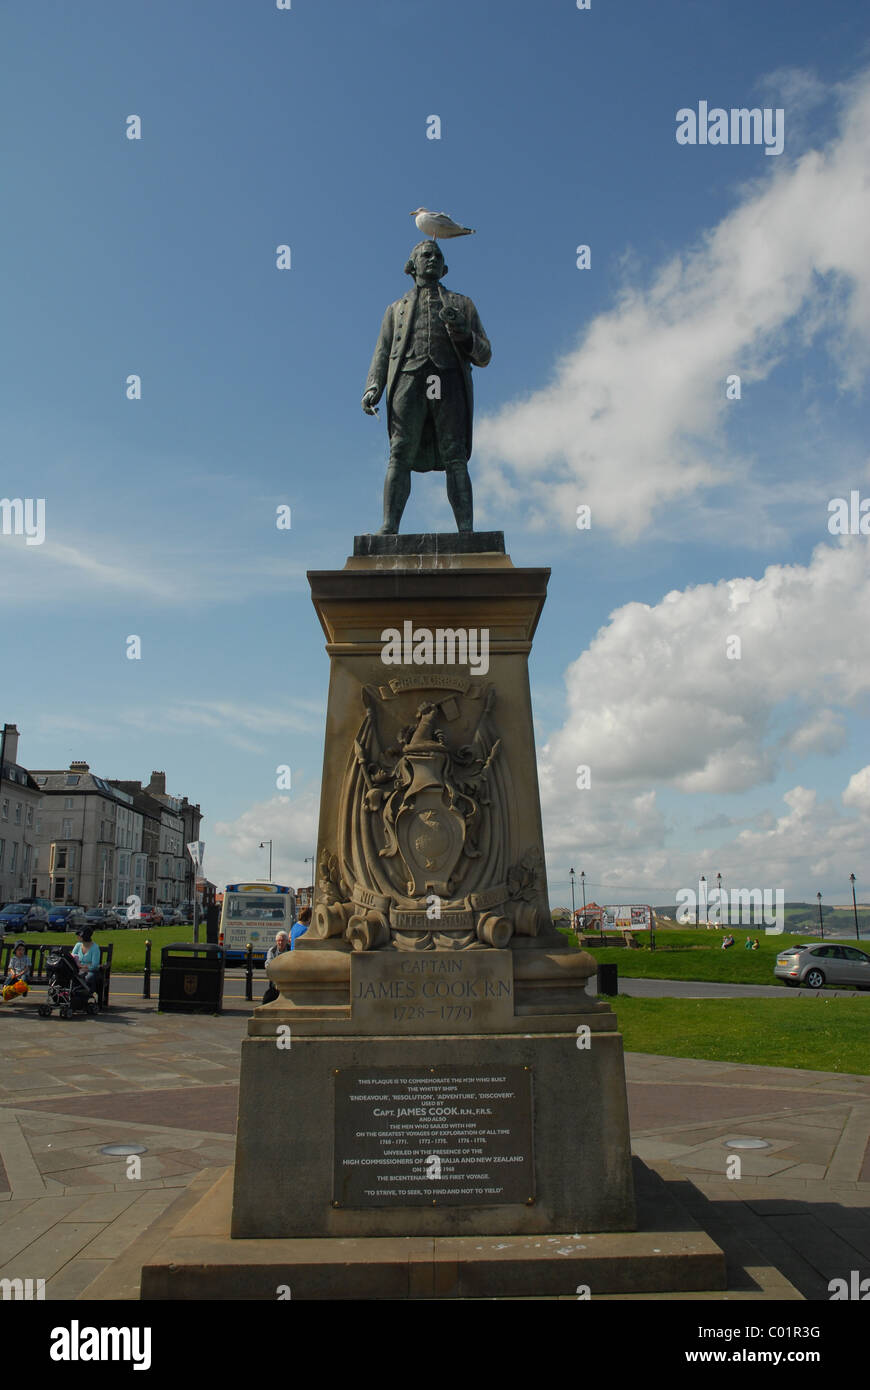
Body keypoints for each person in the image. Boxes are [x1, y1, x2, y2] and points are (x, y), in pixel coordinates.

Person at [362, 239, 491, 533]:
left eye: (436, 255)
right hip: (408, 379)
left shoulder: (463, 304)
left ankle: (466, 531)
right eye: (425, 255)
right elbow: (382, 352)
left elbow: (485, 354)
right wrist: (373, 387)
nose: (431, 259)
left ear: (444, 268)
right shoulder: (395, 310)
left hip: (447, 381)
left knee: (455, 454)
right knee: (399, 452)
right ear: (412, 266)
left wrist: (463, 334)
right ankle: (389, 527)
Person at [262, 930, 290, 1005]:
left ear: (287, 941)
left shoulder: (290, 950)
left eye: (282, 940)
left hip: (287, 978)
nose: (280, 943)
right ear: (276, 941)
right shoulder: (272, 950)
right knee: (268, 999)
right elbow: (268, 964)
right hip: (275, 977)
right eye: (279, 941)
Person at [72, 927, 102, 996]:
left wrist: (82, 966)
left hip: (89, 972)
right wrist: (83, 966)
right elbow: (73, 957)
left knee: (88, 977)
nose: (78, 937)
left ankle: (86, 994)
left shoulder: (95, 948)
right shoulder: (78, 945)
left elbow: (94, 965)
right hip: (78, 970)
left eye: (80, 935)